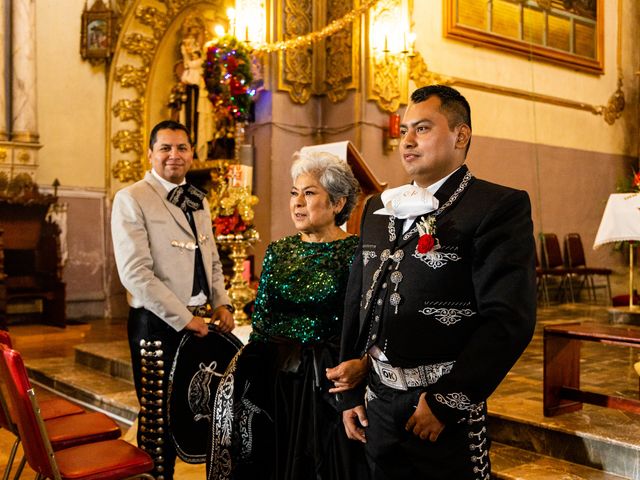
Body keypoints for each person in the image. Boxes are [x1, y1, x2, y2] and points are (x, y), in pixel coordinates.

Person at [330, 85, 537, 480]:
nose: (406, 140)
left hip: (439, 407)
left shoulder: (495, 206)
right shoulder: (378, 207)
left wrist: (445, 403)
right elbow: (360, 297)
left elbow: (509, 319)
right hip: (377, 399)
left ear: (461, 136)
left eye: (422, 128)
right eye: (405, 129)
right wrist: (353, 389)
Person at [207, 150, 369, 480]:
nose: (297, 202)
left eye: (309, 193)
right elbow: (263, 321)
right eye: (294, 193)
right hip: (275, 381)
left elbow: (363, 325)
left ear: (338, 203)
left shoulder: (356, 253)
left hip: (327, 383)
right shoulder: (279, 250)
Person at [111, 120, 235, 480]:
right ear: (150, 154)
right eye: (165, 148)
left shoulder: (199, 200)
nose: (173, 155)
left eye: (181, 148)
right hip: (157, 322)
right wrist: (183, 317)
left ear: (191, 153)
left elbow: (210, 259)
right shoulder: (131, 198)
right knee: (158, 420)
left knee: (200, 412)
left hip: (200, 321)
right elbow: (136, 274)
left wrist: (221, 302)